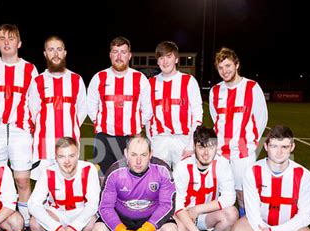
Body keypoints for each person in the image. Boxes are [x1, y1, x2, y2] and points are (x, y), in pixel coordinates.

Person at [230, 125, 310, 231]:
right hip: (260, 223)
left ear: (292, 147)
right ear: (266, 146)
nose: (279, 152)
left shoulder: (303, 175)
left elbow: (306, 216)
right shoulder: (253, 171)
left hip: (290, 224)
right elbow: (253, 214)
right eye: (274, 146)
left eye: (284, 146)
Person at [0, 24, 38, 231]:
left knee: (22, 181)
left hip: (20, 130)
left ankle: (24, 225)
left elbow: (33, 102)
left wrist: (23, 125)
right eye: (2, 38)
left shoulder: (30, 69)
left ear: (19, 43)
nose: (6, 42)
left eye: (11, 38)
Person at [91, 135, 178, 231]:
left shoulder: (162, 170)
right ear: (125, 153)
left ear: (151, 154)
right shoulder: (115, 171)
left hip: (151, 216)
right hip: (122, 216)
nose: (138, 161)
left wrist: (145, 230)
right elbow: (105, 207)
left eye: (143, 155)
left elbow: (167, 205)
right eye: (133, 155)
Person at [209, 47, 268, 217]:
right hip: (221, 152)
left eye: (228, 66)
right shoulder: (215, 91)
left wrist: (250, 144)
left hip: (243, 152)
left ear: (237, 65)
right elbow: (216, 119)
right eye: (220, 68)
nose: (224, 71)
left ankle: (244, 227)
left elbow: (261, 118)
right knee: (222, 193)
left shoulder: (251, 87)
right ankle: (224, 226)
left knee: (243, 194)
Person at [172, 126, 238, 231]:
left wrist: (198, 209)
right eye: (201, 147)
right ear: (194, 147)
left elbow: (230, 197)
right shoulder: (183, 166)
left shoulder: (222, 163)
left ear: (217, 146)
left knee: (231, 213)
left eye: (211, 146)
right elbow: (177, 205)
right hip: (185, 214)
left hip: (206, 214)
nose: (207, 153)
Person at [87, 36, 152, 177]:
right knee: (104, 178)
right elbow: (91, 107)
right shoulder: (99, 78)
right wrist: (101, 125)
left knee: (130, 178)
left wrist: (136, 127)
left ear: (129, 55)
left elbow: (148, 109)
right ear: (110, 55)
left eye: (123, 52)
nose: (119, 56)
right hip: (104, 138)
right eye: (115, 52)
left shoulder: (140, 79)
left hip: (130, 139)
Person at [28, 137, 100, 231]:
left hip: (80, 211)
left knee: (92, 225)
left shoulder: (89, 169)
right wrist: (53, 226)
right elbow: (33, 204)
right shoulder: (48, 172)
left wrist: (77, 224)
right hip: (57, 213)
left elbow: (93, 203)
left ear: (78, 154)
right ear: (55, 157)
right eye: (61, 157)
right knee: (34, 224)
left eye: (71, 156)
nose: (67, 161)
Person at [28, 35, 87, 180]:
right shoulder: (38, 81)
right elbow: (33, 111)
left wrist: (69, 126)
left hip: (69, 143)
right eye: (51, 50)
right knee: (44, 186)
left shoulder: (76, 80)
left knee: (69, 185)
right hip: (44, 144)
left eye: (59, 49)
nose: (55, 54)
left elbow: (82, 110)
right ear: (45, 53)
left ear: (65, 53)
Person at [147, 41, 203, 169]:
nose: (165, 61)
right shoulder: (150, 83)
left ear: (176, 59)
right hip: (159, 141)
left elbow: (197, 114)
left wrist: (191, 144)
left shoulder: (188, 81)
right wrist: (152, 142)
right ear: (157, 62)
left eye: (169, 56)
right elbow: (147, 115)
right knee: (160, 183)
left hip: (183, 140)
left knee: (183, 183)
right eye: (161, 58)